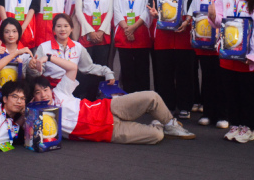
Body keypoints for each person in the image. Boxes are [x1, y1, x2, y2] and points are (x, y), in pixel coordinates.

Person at [30, 51, 195, 144]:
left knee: (152, 97)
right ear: (33, 98)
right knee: (156, 136)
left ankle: (170, 124)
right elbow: (27, 131)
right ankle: (158, 124)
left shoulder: (59, 91)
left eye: (45, 89)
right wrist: (29, 109)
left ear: (50, 89)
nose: (43, 94)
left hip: (109, 108)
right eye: (38, 92)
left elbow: (72, 68)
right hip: (109, 132)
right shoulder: (40, 117)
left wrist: (48, 57)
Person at [209, 0, 254, 143]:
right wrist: (212, 17)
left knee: (248, 92)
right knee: (230, 91)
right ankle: (235, 124)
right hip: (228, 52)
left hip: (247, 54)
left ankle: (248, 127)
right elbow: (220, 22)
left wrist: (253, 54)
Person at [147, 0, 196, 119]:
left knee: (184, 73)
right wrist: (154, 14)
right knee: (164, 74)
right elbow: (152, 6)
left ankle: (184, 106)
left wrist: (187, 21)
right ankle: (167, 105)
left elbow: (193, 9)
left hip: (183, 34)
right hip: (163, 37)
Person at [187, 0, 230, 128]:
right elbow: (194, 12)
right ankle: (208, 113)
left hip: (223, 41)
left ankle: (223, 115)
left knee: (222, 78)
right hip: (205, 40)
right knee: (207, 77)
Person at [29, 14, 115, 91]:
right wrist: (33, 68)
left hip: (71, 90)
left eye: (66, 26)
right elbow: (36, 73)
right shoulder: (44, 47)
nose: (62, 29)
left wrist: (107, 72)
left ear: (71, 29)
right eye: (59, 26)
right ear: (54, 29)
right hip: (50, 90)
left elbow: (89, 67)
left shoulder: (78, 47)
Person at [113, 0, 153, 93]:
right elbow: (116, 9)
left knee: (142, 68)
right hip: (123, 31)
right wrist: (126, 28)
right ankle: (129, 97)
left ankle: (144, 98)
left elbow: (147, 10)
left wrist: (134, 27)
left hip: (141, 30)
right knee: (126, 68)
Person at [73, 0, 114, 70]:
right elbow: (78, 12)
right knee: (86, 67)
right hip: (86, 32)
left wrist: (101, 31)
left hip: (103, 32)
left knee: (102, 66)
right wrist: (90, 32)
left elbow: (110, 11)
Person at [0, 18, 32, 89]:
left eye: (14, 31)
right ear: (2, 33)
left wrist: (21, 65)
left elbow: (23, 78)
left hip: (16, 89)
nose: (11, 35)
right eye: (7, 32)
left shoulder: (24, 52)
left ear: (19, 32)